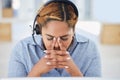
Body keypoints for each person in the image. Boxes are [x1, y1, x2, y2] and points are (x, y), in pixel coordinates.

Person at [8, 0, 101, 77]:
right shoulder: (22, 49)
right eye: (49, 38)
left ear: (74, 31)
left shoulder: (90, 48)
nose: (56, 45)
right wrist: (35, 72)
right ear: (39, 31)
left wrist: (74, 71)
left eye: (64, 38)